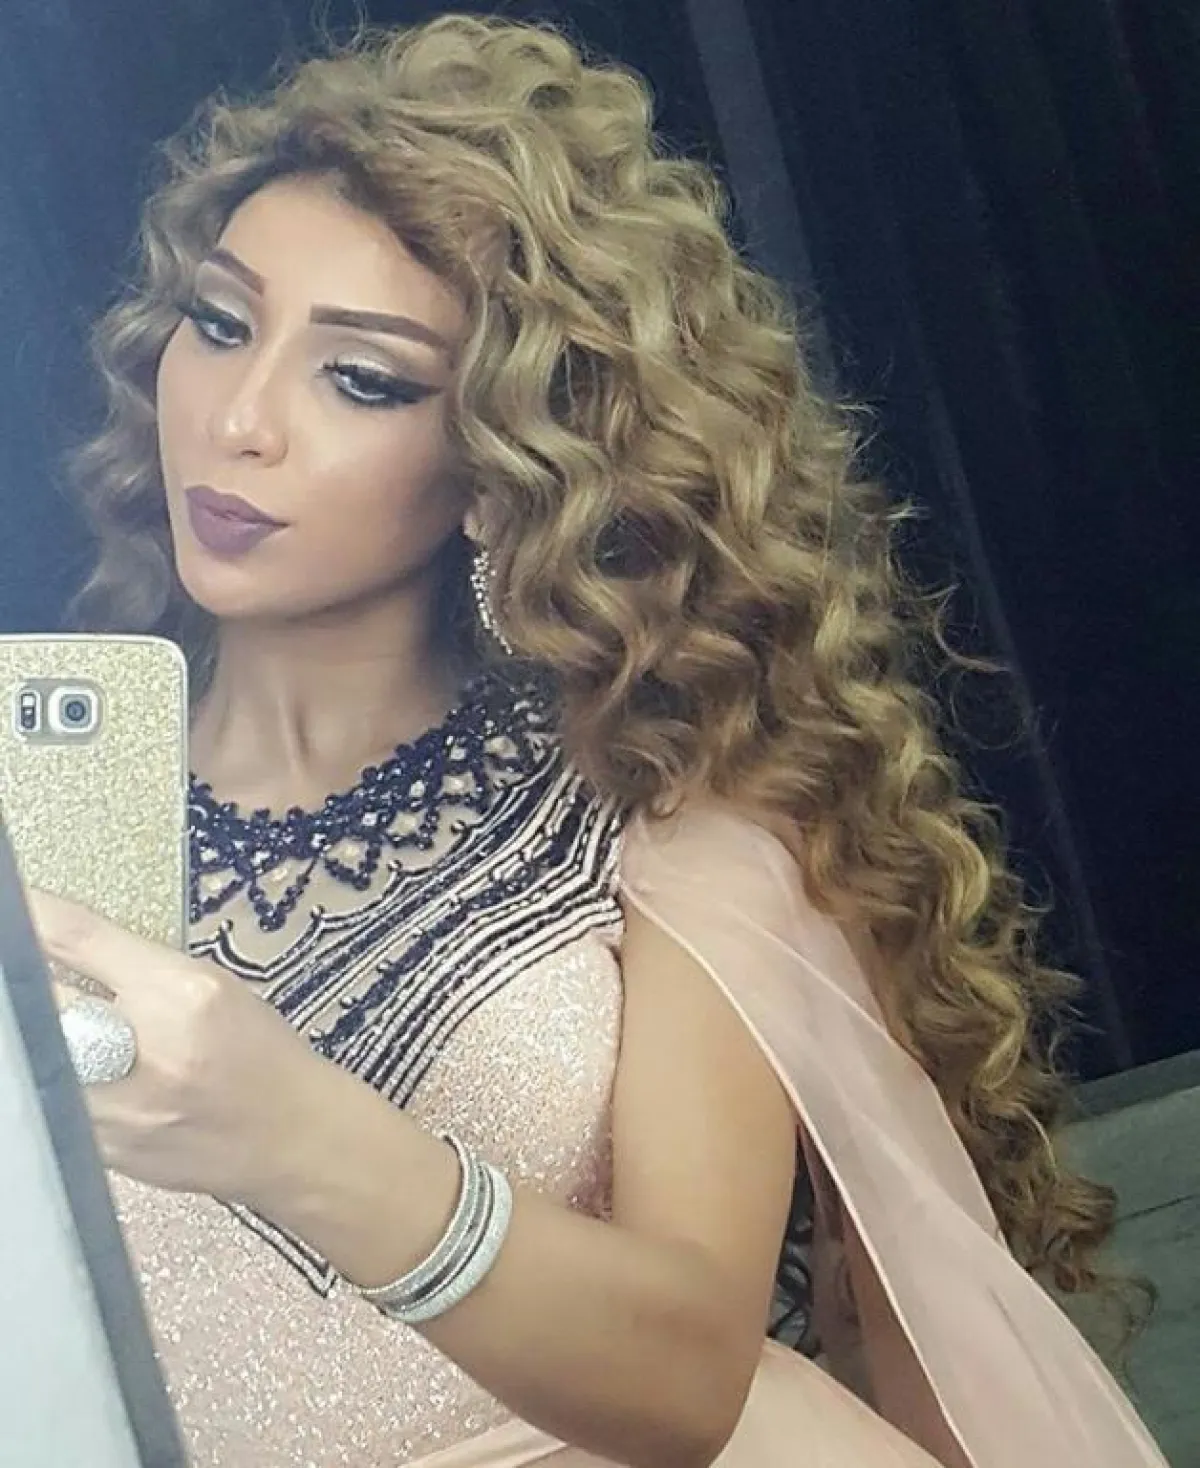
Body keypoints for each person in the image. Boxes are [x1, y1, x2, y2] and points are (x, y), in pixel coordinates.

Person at [30, 14, 1168, 1468]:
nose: (239, 421)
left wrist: (291, 1132)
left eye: (364, 379)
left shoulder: (659, 813)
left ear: (508, 452)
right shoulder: (47, 800)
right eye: (220, 321)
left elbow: (691, 1376)